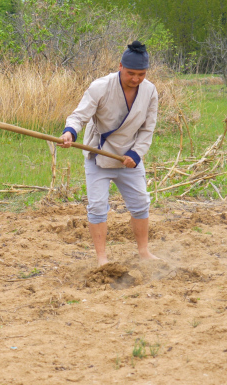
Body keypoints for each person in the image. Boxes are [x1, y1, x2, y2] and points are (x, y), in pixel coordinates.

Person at [59, 40, 159, 266]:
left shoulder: (150, 91)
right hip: (99, 155)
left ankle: (144, 251)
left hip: (129, 158)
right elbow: (79, 116)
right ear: (120, 67)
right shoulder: (100, 87)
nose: (136, 79)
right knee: (97, 206)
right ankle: (102, 259)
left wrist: (136, 154)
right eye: (131, 73)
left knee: (141, 202)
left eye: (141, 74)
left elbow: (148, 128)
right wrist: (70, 133)